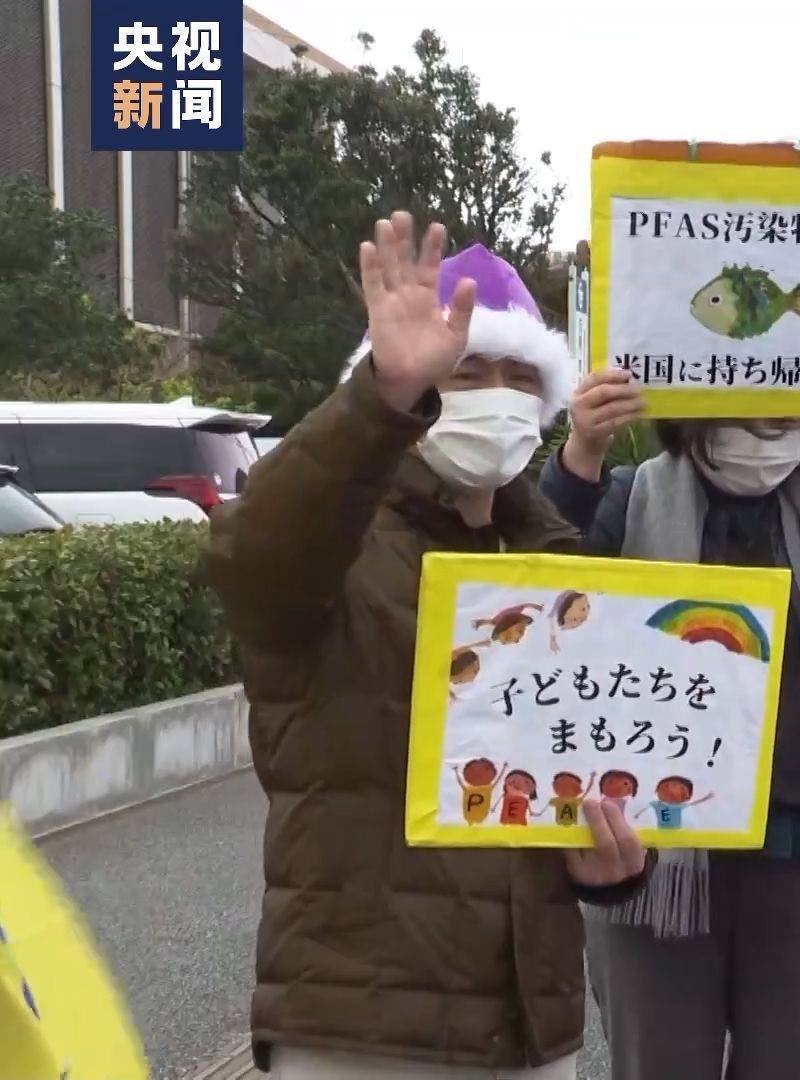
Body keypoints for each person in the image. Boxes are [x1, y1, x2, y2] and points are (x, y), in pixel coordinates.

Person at [203, 213, 649, 1079]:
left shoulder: (561, 570)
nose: (495, 393)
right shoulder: (334, 547)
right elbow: (250, 556)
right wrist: (378, 401)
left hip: (529, 1026)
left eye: (521, 377)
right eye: (466, 371)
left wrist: (612, 863)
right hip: (360, 1029)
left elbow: (586, 765)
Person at [539, 291, 800, 1080]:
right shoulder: (630, 500)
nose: (765, 418)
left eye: (785, 401)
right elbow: (531, 575)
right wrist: (581, 454)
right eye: (740, 396)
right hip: (652, 856)